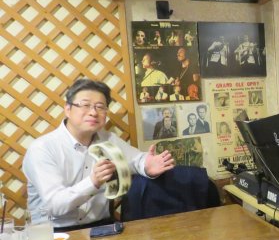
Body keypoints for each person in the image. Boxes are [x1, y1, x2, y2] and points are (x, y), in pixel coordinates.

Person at [22, 78, 175, 231]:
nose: (93, 112)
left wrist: (147, 166)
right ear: (68, 109)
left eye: (100, 107)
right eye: (85, 105)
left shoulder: (108, 139)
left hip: (102, 227)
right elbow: (55, 205)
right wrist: (93, 181)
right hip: (53, 233)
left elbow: (137, 160)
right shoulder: (43, 148)